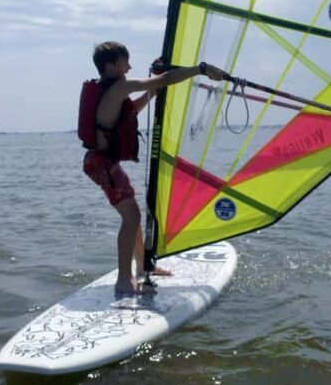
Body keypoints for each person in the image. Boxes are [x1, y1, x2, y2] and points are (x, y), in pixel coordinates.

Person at [79, 41, 225, 296]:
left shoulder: (111, 90)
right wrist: (200, 69)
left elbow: (130, 111)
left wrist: (152, 94)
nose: (130, 66)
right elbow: (165, 79)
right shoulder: (119, 85)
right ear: (111, 65)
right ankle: (124, 281)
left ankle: (142, 267)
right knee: (132, 217)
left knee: (132, 214)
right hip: (101, 163)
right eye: (125, 62)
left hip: (101, 162)